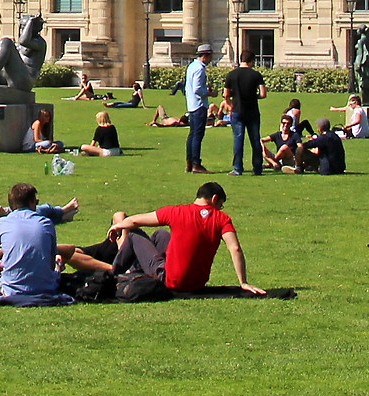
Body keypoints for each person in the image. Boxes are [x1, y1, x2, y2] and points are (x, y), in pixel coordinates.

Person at [106, 182, 265, 295]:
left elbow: (135, 221)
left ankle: (112, 276)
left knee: (133, 236)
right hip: (197, 284)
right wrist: (243, 282)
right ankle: (137, 271)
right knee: (161, 234)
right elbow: (234, 248)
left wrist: (117, 226)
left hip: (171, 281)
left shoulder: (177, 212)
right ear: (215, 199)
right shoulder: (222, 219)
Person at [0, 183, 71, 305]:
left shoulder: (0, 224)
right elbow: (50, 265)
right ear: (31, 202)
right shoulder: (46, 223)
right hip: (46, 287)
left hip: (11, 290)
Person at [223, 51, 267, 176]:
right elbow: (263, 94)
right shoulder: (256, 75)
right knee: (255, 140)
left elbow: (226, 94)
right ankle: (257, 168)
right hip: (252, 111)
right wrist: (254, 96)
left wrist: (231, 104)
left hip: (237, 110)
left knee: (238, 140)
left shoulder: (231, 75)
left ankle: (237, 168)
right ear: (252, 60)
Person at [182, 43, 213, 173]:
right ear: (205, 56)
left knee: (192, 134)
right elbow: (197, 89)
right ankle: (196, 163)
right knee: (197, 136)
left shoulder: (191, 66)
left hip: (192, 104)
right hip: (199, 105)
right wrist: (210, 93)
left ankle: (189, 163)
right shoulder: (200, 69)